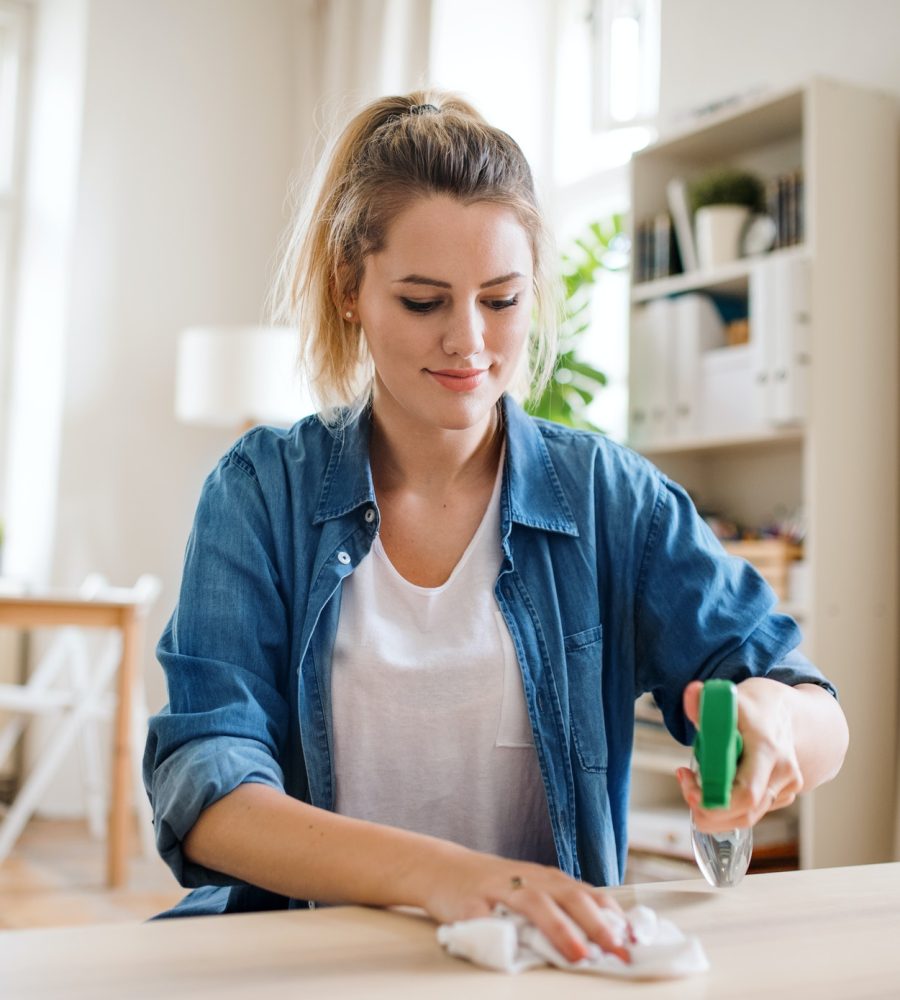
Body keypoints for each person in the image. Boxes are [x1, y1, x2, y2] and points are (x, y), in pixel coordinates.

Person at [144, 90, 848, 963]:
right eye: (423, 301)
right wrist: (449, 877)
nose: (468, 342)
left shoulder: (608, 498)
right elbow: (205, 788)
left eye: (503, 299)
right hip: (308, 963)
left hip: (539, 970)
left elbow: (813, 706)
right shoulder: (260, 494)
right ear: (350, 289)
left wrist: (777, 724)